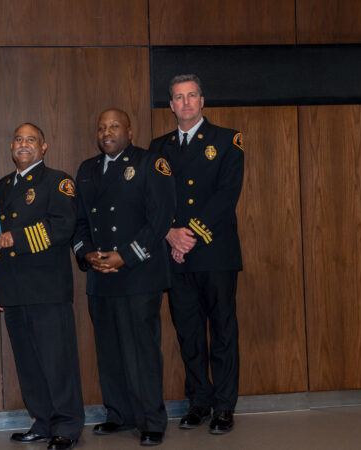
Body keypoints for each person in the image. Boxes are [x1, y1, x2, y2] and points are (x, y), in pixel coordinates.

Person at [72, 108, 176, 446]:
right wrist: (85, 254)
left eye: (114, 126)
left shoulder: (150, 163)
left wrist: (126, 256)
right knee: (109, 350)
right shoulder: (87, 170)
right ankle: (118, 414)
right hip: (100, 275)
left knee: (141, 350)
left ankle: (151, 421)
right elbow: (80, 221)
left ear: (130, 131)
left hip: (138, 274)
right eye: (101, 127)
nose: (106, 132)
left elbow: (160, 219)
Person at [148, 74, 244, 435]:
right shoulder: (158, 148)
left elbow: (226, 195)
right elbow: (155, 199)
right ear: (171, 105)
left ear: (202, 101)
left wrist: (190, 236)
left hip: (215, 253)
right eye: (178, 97)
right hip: (176, 254)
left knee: (221, 332)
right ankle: (199, 402)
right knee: (188, 333)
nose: (185, 103)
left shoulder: (227, 140)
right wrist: (170, 234)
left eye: (192, 96)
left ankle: (223, 406)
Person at [0, 123, 84, 450]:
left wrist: (19, 237)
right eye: (18, 139)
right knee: (28, 364)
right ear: (11, 147)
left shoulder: (58, 181)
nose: (23, 145)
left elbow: (63, 226)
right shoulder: (2, 186)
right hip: (12, 290)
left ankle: (67, 426)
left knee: (57, 362)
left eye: (31, 140)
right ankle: (41, 422)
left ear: (44, 147)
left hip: (46, 289)